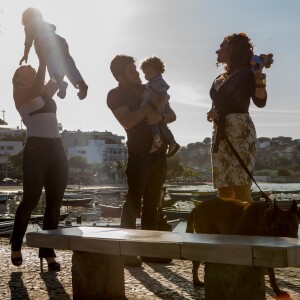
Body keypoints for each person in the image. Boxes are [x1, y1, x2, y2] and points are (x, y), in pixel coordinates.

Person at [107, 55, 177, 266]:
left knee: (152, 204)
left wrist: (160, 117)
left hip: (158, 154)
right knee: (133, 202)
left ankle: (148, 250)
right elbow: (127, 121)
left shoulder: (149, 89)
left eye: (136, 70)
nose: (137, 74)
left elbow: (172, 115)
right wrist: (149, 108)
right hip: (138, 155)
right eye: (131, 71)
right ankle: (126, 250)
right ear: (120, 76)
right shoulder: (116, 94)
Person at [10, 54, 69, 271]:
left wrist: (52, 49)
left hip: (57, 148)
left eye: (33, 69)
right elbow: (36, 88)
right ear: (18, 79)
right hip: (36, 149)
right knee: (31, 199)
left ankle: (47, 251)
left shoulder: (43, 92)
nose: (32, 69)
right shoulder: (21, 93)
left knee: (54, 204)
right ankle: (16, 245)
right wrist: (42, 60)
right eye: (27, 71)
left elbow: (59, 75)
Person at [207, 33, 267, 201]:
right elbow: (218, 102)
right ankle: (228, 226)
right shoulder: (219, 78)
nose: (217, 51)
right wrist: (212, 112)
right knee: (224, 187)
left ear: (233, 50)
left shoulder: (249, 72)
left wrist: (259, 78)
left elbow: (260, 101)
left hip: (240, 129)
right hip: (219, 131)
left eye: (222, 47)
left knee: (241, 185)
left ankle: (244, 226)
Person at [19, 7, 88, 100]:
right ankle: (80, 83)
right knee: (67, 63)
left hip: (44, 42)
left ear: (26, 19)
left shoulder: (29, 26)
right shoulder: (43, 22)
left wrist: (25, 54)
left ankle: (60, 83)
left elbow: (28, 42)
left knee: (51, 61)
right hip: (58, 40)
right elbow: (53, 27)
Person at [140, 56, 180, 156]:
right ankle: (171, 142)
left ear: (158, 71)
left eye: (148, 73)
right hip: (157, 107)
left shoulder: (159, 82)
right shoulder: (152, 82)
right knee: (162, 125)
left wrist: (159, 110)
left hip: (160, 107)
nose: (146, 76)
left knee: (152, 121)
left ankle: (157, 141)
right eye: (144, 73)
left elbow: (164, 95)